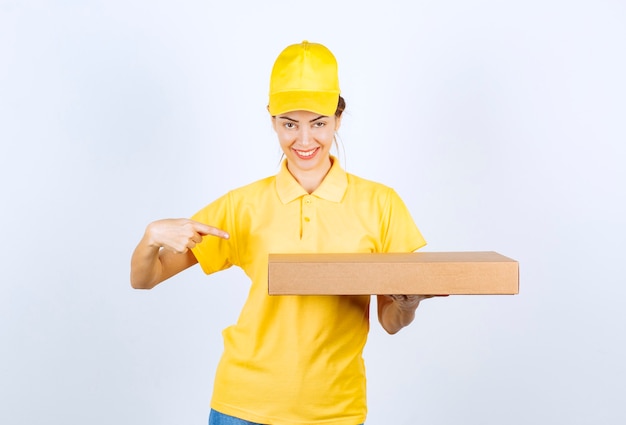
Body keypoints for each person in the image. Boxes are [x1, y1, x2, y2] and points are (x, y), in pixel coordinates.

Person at [131, 40, 436, 425]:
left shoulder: (381, 204)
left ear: (338, 118)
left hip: (335, 411)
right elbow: (145, 279)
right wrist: (150, 237)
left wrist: (407, 305)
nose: (304, 141)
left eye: (319, 123)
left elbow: (390, 322)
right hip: (243, 407)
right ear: (272, 119)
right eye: (289, 123)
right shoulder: (243, 205)